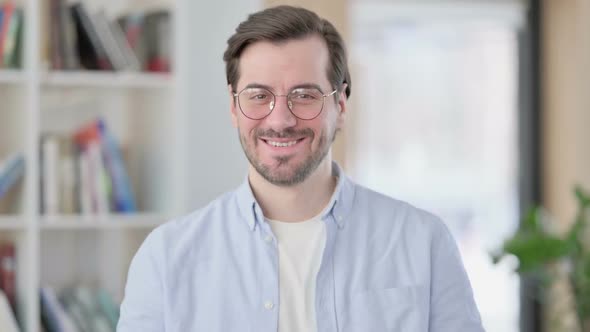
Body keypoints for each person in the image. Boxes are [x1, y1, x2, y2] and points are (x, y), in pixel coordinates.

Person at [117, 5, 484, 332]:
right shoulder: (165, 259)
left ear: (340, 105)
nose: (280, 119)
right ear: (233, 107)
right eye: (259, 96)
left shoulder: (423, 243)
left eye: (304, 95)